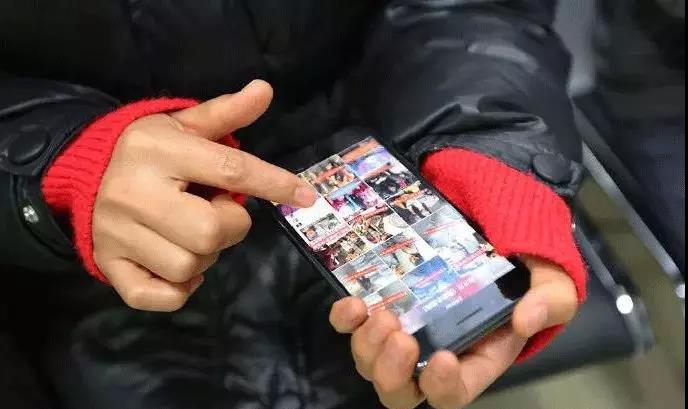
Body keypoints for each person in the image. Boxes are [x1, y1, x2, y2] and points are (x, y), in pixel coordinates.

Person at [0, 1, 586, 408]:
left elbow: (468, 8)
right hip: (84, 297)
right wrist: (60, 165)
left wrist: (489, 151)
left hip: (377, 152)